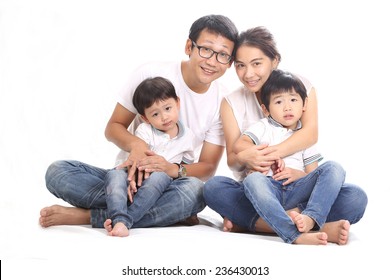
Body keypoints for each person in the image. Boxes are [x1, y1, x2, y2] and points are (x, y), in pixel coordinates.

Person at [39, 14, 238, 230]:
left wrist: (171, 169)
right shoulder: (151, 73)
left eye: (223, 55)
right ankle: (164, 214)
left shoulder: (223, 102)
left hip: (171, 185)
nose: (212, 61)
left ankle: (92, 217)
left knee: (196, 193)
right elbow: (113, 127)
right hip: (128, 180)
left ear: (229, 63)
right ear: (189, 46)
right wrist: (138, 146)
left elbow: (207, 167)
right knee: (58, 172)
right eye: (206, 49)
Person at [203, 26, 367, 245]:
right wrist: (247, 158)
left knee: (355, 197)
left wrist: (273, 160)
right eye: (240, 66)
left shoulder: (299, 87)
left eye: (257, 63)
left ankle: (259, 224)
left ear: (275, 60)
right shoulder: (232, 103)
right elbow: (234, 159)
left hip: (298, 191)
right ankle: (309, 229)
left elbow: (309, 136)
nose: (248, 74)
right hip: (260, 191)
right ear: (266, 109)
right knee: (213, 188)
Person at [234, 69, 346, 245]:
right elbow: (240, 145)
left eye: (293, 100)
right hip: (267, 190)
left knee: (347, 186)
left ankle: (307, 218)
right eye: (279, 102)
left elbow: (314, 176)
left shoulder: (304, 137)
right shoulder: (263, 127)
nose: (287, 107)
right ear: (266, 109)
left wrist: (296, 174)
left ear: (304, 104)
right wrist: (263, 158)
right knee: (219, 187)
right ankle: (297, 232)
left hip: (296, 192)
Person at [103, 76, 196, 237]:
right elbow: (138, 163)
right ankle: (121, 217)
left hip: (161, 186)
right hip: (132, 177)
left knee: (165, 179)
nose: (164, 117)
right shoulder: (144, 131)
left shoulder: (188, 136)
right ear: (145, 118)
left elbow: (185, 169)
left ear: (178, 103)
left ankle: (120, 219)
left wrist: (176, 179)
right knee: (114, 174)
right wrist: (130, 181)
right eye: (155, 114)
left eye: (168, 108)